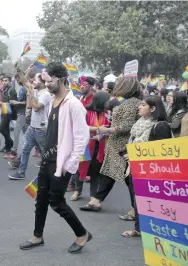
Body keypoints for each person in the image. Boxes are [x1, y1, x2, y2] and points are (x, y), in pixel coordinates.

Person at [19, 62, 91, 254]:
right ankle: (37, 236)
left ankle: (82, 234)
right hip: (47, 159)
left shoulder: (74, 104)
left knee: (56, 201)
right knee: (40, 198)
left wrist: (70, 164)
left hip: (62, 163)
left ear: (59, 79)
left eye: (49, 81)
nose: (47, 84)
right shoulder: (52, 101)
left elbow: (82, 137)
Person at [81, 77, 142, 214]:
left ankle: (136, 210)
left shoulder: (131, 104)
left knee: (129, 179)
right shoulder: (131, 102)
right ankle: (96, 201)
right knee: (111, 174)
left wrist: (107, 130)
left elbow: (126, 126)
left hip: (122, 146)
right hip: (118, 145)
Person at [120, 96, 172, 238]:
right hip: (135, 169)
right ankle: (139, 229)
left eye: (143, 105)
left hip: (152, 173)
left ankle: (160, 230)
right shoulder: (139, 124)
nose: (139, 107)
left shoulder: (160, 126)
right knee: (138, 200)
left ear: (153, 108)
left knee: (152, 203)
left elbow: (166, 153)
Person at [8, 77, 51, 180]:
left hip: (41, 129)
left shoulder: (45, 94)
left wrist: (31, 93)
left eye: (36, 80)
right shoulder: (36, 91)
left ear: (43, 82)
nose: (33, 82)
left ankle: (52, 175)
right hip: (32, 128)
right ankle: (21, 172)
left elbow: (36, 107)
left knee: (46, 154)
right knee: (25, 149)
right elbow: (29, 104)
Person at [71, 91, 110, 201]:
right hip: (85, 145)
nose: (108, 103)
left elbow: (108, 128)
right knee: (80, 168)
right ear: (101, 101)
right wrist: (98, 130)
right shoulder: (86, 112)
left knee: (95, 171)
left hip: (100, 147)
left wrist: (101, 134)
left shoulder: (107, 113)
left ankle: (93, 194)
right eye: (107, 100)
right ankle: (77, 191)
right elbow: (82, 127)